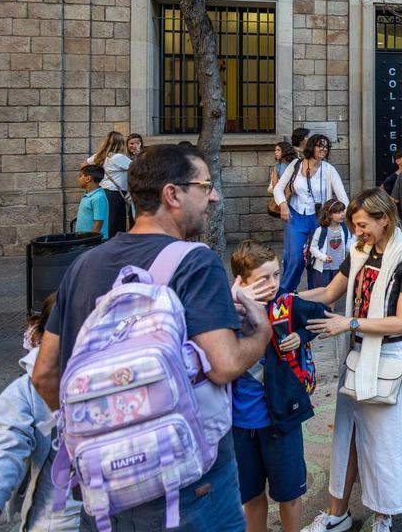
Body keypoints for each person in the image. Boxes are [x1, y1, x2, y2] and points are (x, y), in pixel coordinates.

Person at [32, 144, 273, 532]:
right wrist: (260, 332)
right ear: (172, 194)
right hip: (189, 484)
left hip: (104, 483)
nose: (213, 196)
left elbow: (44, 374)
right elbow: (225, 363)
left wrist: (106, 429)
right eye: (205, 185)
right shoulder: (195, 261)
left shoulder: (82, 265)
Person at [299, 189, 402, 532]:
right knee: (347, 435)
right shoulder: (359, 250)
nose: (357, 232)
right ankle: (336, 514)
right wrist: (286, 299)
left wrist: (349, 323)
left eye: (362, 225)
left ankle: (383, 514)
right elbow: (328, 293)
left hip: (389, 357)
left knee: (384, 443)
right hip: (355, 356)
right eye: (355, 226)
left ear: (384, 218)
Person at [229, 242, 328, 532]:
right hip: (239, 424)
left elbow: (323, 315)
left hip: (282, 420)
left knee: (290, 495)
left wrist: (301, 334)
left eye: (276, 274)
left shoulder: (285, 304)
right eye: (263, 278)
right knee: (251, 496)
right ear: (241, 283)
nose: (273, 284)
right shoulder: (225, 314)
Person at [0, 295, 82, 532]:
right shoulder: (24, 393)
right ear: (41, 337)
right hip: (60, 521)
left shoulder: (118, 379)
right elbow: (6, 452)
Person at [274, 134, 349, 294]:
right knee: (296, 257)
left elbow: (342, 197)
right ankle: (284, 295)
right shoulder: (296, 164)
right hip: (295, 216)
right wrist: (283, 204)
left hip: (320, 219)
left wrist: (347, 217)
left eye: (326, 146)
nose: (323, 148)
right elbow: (278, 188)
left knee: (316, 259)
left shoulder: (329, 170)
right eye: (319, 145)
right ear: (311, 148)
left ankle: (315, 296)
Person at [87, 131, 132, 237]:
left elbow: (84, 165)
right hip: (115, 194)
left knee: (107, 222)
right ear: (120, 143)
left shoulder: (100, 156)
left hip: (104, 192)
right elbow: (139, 168)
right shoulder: (118, 158)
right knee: (116, 225)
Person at [307, 199, 351, 291]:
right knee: (322, 292)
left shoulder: (344, 229)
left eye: (343, 211)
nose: (342, 214)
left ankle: (330, 306)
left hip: (338, 267)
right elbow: (313, 248)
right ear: (329, 214)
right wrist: (323, 257)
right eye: (338, 212)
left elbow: (347, 245)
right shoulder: (321, 230)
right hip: (323, 269)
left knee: (333, 293)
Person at [74, 164, 109, 240]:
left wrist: (91, 241)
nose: (78, 179)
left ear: (88, 178)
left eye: (80, 176)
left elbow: (98, 223)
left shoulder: (98, 197)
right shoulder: (88, 195)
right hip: (83, 240)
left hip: (93, 242)